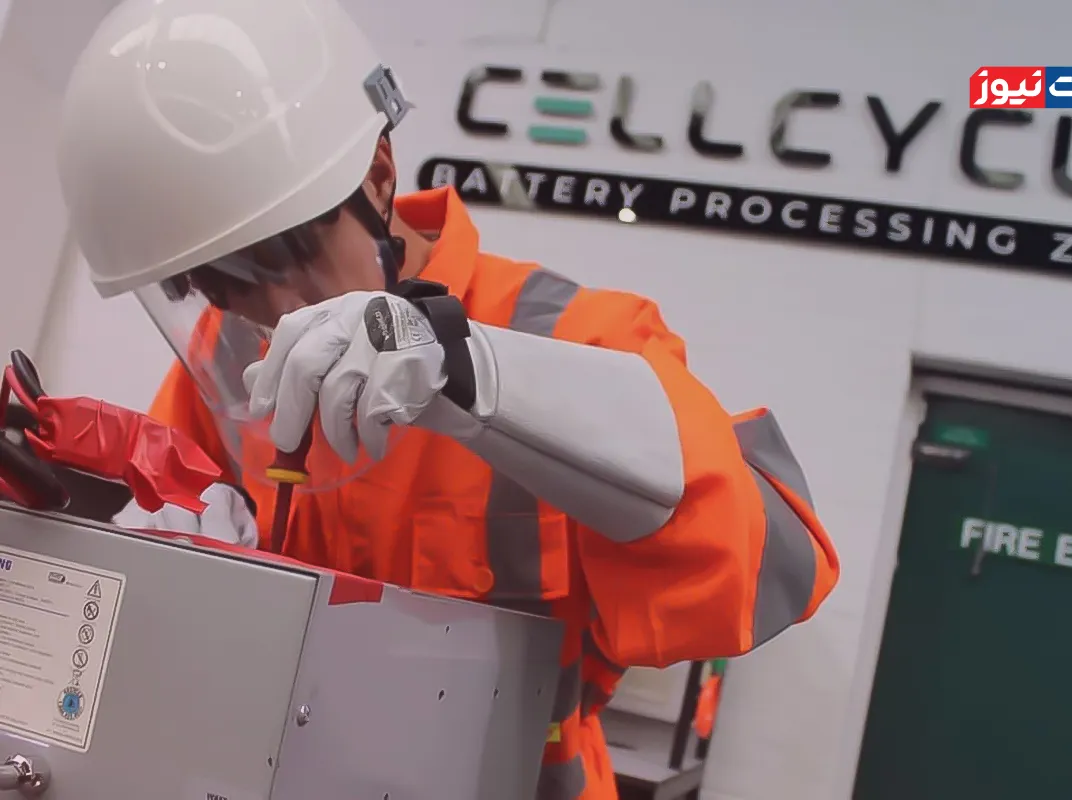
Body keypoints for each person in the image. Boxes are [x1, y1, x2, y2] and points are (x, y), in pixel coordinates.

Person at [55, 1, 840, 798]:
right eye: (215, 282)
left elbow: (768, 567)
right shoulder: (224, 353)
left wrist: (481, 376)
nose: (272, 311)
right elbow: (171, 541)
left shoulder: (571, 333)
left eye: (280, 256)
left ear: (378, 174)